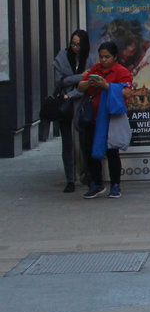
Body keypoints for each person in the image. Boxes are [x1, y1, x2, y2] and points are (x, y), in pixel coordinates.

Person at [77, 41, 133, 199]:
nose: (103, 60)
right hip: (93, 119)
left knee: (112, 152)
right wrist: (90, 82)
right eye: (101, 57)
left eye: (107, 57)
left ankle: (115, 185)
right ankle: (96, 183)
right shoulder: (95, 69)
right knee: (90, 151)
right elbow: (80, 86)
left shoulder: (121, 72)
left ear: (115, 57)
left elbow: (127, 93)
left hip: (111, 119)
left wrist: (107, 86)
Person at [52, 29, 92, 193]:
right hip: (66, 106)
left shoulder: (88, 59)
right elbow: (59, 81)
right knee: (67, 145)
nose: (75, 47)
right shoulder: (62, 57)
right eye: (73, 43)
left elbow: (88, 81)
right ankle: (70, 179)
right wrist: (79, 77)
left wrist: (72, 91)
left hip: (81, 104)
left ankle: (85, 175)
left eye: (78, 44)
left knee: (83, 143)